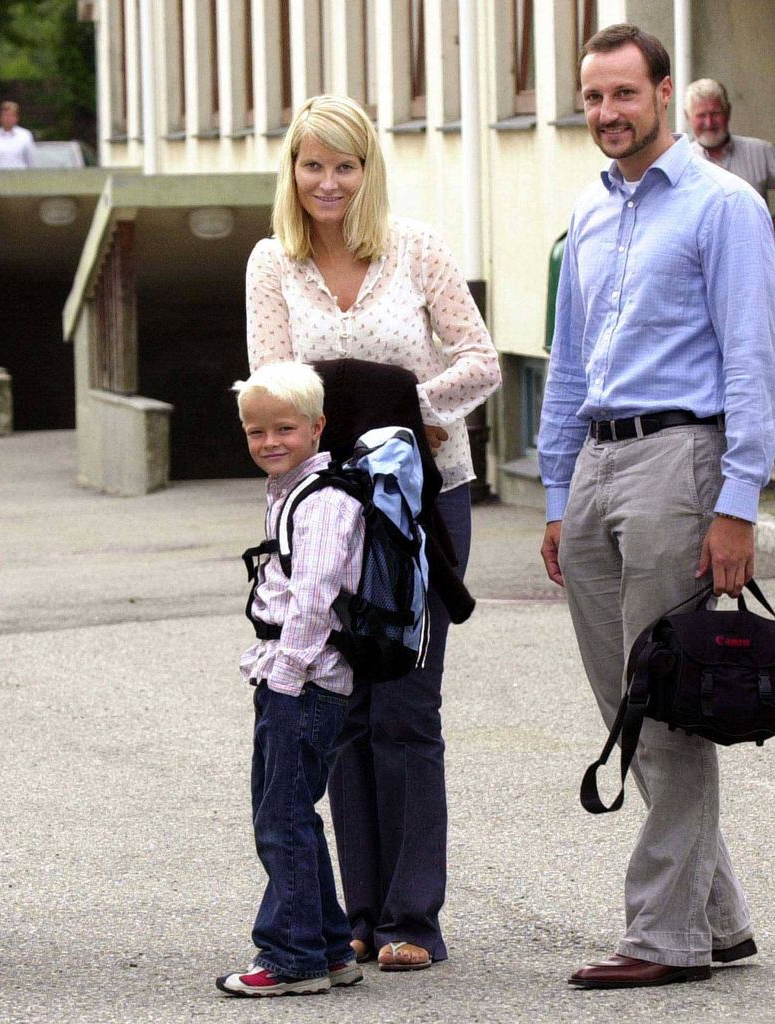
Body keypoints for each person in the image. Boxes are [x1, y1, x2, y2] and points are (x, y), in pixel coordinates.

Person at [539, 24, 775, 990]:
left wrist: (738, 504)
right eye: (594, 97)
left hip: (680, 461)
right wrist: (557, 492)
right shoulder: (590, 213)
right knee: (626, 703)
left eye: (624, 94)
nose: (607, 113)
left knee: (669, 704)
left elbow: (752, 359)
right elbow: (565, 364)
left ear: (666, 95)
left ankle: (664, 936)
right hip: (596, 462)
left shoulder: (725, 208)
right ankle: (717, 918)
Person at [245, 94, 500, 972]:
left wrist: (403, 408)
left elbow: (481, 360)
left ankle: (412, 918)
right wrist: (357, 413)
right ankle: (359, 915)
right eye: (313, 165)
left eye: (345, 165)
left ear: (368, 170)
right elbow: (272, 387)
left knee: (406, 706)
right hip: (324, 512)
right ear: (293, 170)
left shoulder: (417, 248)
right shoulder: (270, 263)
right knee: (342, 706)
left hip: (422, 504)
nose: (328, 182)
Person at [217, 361, 362, 997]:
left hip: (303, 680)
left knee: (281, 819)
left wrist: (287, 676)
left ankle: (292, 957)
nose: (269, 441)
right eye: (256, 431)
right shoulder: (291, 490)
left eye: (284, 429)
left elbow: (314, 596)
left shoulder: (323, 501)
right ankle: (329, 947)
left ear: (317, 426)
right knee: (290, 811)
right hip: (293, 676)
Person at [686, 78, 775, 201]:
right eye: (701, 115)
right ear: (687, 117)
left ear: (728, 112)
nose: (709, 123)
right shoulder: (684, 162)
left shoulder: (761, 153)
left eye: (715, 113)